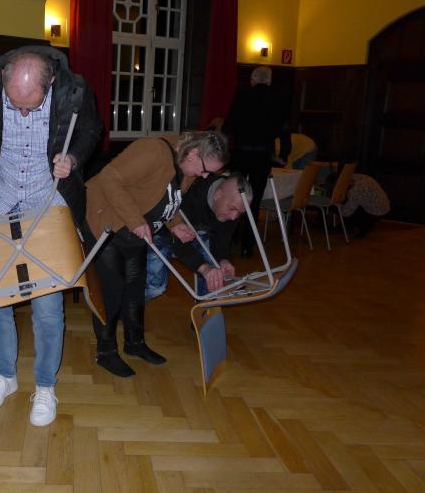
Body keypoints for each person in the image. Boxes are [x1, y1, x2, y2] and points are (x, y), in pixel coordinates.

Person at [0, 46, 101, 427]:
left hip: (48, 200)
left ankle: (46, 386)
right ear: (4, 81)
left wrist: (73, 159)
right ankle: (5, 375)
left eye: (32, 107)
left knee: (47, 305)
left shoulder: (74, 91)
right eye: (14, 105)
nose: (23, 114)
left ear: (50, 84)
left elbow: (90, 131)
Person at [84, 131, 228, 378]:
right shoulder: (153, 150)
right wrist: (135, 220)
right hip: (105, 219)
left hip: (134, 227)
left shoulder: (187, 169)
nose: (205, 176)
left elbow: (167, 201)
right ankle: (106, 351)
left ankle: (134, 343)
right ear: (194, 153)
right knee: (112, 290)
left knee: (135, 286)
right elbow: (109, 177)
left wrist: (175, 224)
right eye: (205, 170)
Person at [145, 173, 253, 302]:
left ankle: (204, 310)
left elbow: (222, 240)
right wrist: (203, 267)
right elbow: (177, 241)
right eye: (232, 209)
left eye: (240, 213)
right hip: (164, 231)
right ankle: (130, 309)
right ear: (218, 195)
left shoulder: (233, 204)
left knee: (216, 275)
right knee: (155, 287)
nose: (234, 217)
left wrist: (224, 259)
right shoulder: (191, 194)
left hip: (198, 232)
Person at [223, 66, 290, 257]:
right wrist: (284, 153)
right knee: (255, 199)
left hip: (241, 154)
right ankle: (247, 245)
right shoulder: (278, 98)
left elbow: (228, 126)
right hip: (262, 156)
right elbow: (285, 129)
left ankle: (230, 238)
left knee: (234, 195)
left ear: (253, 80)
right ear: (269, 81)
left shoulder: (242, 95)